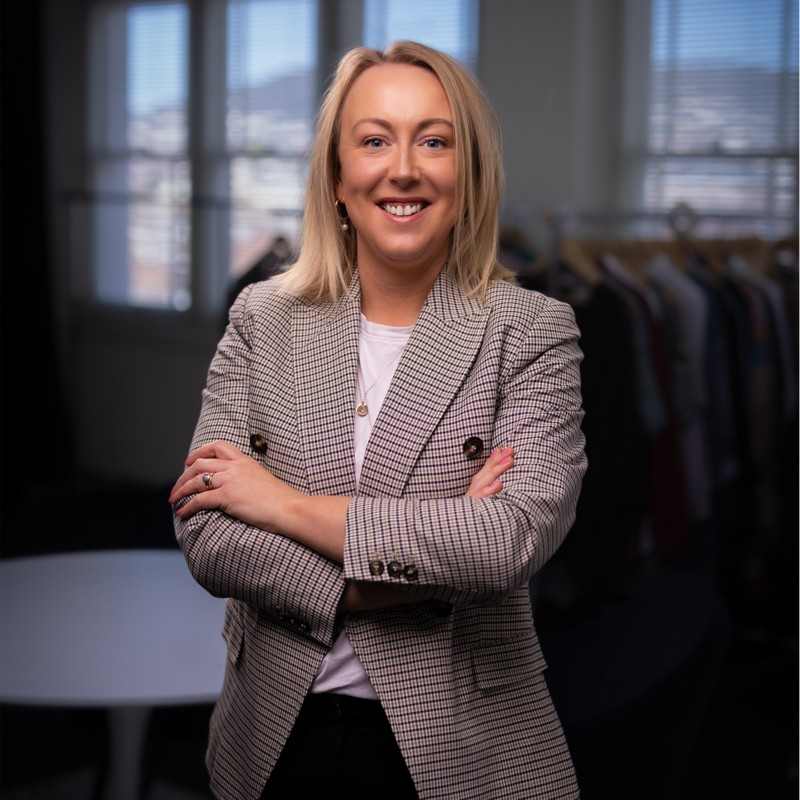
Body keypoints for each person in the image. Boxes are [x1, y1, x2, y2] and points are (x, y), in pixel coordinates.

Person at [170, 40, 587, 800]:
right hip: (272, 733)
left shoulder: (531, 330)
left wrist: (280, 505)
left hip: (462, 748)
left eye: (434, 140)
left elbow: (505, 542)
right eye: (373, 140)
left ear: (470, 174)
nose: (404, 168)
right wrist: (427, 566)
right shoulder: (263, 318)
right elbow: (207, 533)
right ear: (336, 177)